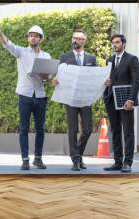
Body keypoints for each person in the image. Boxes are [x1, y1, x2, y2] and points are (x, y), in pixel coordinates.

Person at [0, 22, 50, 170]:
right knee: (24, 128)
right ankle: (25, 159)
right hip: (25, 95)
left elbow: (48, 77)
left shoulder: (46, 55)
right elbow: (6, 43)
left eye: (36, 36)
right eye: (31, 36)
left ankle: (38, 159)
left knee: (40, 129)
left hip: (41, 96)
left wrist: (45, 76)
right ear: (28, 38)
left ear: (40, 39)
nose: (33, 38)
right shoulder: (21, 52)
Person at [52, 30, 97, 171]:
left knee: (88, 129)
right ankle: (75, 160)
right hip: (70, 98)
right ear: (72, 40)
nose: (77, 40)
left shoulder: (91, 58)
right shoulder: (64, 57)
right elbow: (58, 74)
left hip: (85, 98)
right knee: (73, 129)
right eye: (75, 38)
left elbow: (94, 76)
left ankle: (78, 153)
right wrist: (54, 80)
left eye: (81, 38)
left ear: (85, 41)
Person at [103, 34, 139, 173]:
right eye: (113, 43)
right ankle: (117, 162)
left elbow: (136, 80)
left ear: (123, 44)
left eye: (117, 42)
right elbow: (108, 79)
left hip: (125, 100)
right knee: (115, 131)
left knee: (128, 132)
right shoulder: (109, 60)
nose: (114, 45)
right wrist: (106, 82)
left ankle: (127, 163)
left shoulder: (132, 59)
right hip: (111, 100)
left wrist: (131, 99)